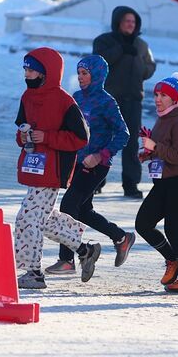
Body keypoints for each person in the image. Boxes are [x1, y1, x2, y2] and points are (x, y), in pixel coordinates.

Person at [44, 55, 137, 280]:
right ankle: (121, 237)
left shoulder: (106, 102)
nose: (81, 77)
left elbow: (123, 134)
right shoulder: (76, 98)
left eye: (85, 74)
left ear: (97, 76)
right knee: (83, 211)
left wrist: (101, 155)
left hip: (97, 165)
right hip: (77, 164)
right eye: (79, 73)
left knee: (68, 206)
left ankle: (67, 260)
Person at [12, 48, 90, 289]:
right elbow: (20, 132)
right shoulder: (27, 97)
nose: (27, 73)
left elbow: (80, 138)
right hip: (33, 166)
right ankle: (85, 249)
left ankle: (33, 272)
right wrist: (24, 138)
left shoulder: (65, 101)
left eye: (32, 69)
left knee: (27, 218)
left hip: (53, 170)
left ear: (47, 73)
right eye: (25, 69)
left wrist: (46, 137)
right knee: (41, 219)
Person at [134, 72, 178, 293]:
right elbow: (161, 149)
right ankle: (172, 260)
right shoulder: (163, 119)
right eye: (156, 95)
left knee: (174, 231)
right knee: (143, 223)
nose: (158, 99)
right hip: (163, 184)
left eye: (163, 95)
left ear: (174, 98)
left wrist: (155, 147)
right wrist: (148, 154)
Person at [93, 6, 157, 200]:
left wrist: (141, 70)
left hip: (133, 101)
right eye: (127, 21)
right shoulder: (104, 41)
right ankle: (95, 181)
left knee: (130, 144)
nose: (130, 24)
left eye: (133, 22)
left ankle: (130, 184)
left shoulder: (141, 45)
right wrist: (119, 50)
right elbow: (98, 62)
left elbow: (150, 66)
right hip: (109, 100)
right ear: (118, 22)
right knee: (103, 140)